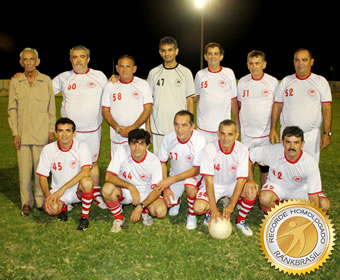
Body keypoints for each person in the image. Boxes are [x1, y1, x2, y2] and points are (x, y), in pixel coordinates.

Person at [52, 45, 107, 209]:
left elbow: (113, 90)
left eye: (82, 56)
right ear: (70, 59)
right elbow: (43, 90)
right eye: (75, 57)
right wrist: (24, 77)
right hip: (69, 133)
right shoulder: (63, 78)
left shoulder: (99, 76)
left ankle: (95, 193)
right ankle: (70, 196)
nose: (78, 60)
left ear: (88, 59)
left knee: (93, 163)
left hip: (92, 130)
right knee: (70, 163)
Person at [8, 47, 56, 216]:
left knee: (40, 172)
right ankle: (26, 203)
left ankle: (40, 201)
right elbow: (12, 109)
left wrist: (51, 130)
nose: (29, 63)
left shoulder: (46, 80)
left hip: (42, 134)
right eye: (25, 60)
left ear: (38, 61)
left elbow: (52, 108)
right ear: (21, 63)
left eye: (32, 59)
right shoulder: (16, 82)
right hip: (23, 135)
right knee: (24, 172)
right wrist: (15, 133)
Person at [194, 120, 257, 236]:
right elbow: (208, 180)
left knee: (251, 191)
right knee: (198, 208)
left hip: (232, 184)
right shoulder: (209, 148)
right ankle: (209, 212)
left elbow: (241, 180)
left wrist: (232, 205)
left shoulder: (242, 149)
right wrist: (213, 208)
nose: (226, 138)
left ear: (236, 135)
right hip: (214, 185)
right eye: (223, 133)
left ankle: (240, 220)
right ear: (217, 134)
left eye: (230, 134)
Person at [270, 48, 332, 163]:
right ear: (294, 62)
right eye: (297, 60)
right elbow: (277, 106)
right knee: (287, 168)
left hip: (311, 135)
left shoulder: (320, 81)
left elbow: (327, 108)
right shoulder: (286, 81)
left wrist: (327, 133)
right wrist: (273, 129)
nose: (300, 63)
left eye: (304, 60)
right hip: (288, 135)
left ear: (311, 62)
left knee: (309, 168)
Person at [248, 126, 330, 213]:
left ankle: (284, 205)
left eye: (296, 142)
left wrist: (312, 217)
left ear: (302, 144)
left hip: (300, 190)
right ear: (282, 142)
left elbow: (313, 195)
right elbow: (249, 156)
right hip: (277, 186)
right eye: (288, 142)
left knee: (324, 205)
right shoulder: (273, 151)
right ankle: (282, 211)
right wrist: (250, 179)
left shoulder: (309, 162)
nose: (292, 146)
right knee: (265, 199)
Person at [101, 129, 167, 233]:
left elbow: (157, 190)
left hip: (146, 193)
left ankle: (145, 210)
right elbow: (109, 176)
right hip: (127, 191)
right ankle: (119, 218)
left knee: (161, 212)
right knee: (107, 189)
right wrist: (131, 187)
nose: (137, 148)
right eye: (133, 143)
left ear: (147, 146)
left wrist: (140, 207)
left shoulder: (153, 161)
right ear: (129, 144)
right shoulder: (121, 151)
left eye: (141, 144)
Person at [36, 118, 94, 231]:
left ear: (74, 133)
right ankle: (64, 206)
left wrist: (63, 189)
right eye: (60, 130)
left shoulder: (81, 146)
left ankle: (84, 216)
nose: (64, 134)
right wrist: (48, 197)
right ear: (56, 133)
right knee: (51, 210)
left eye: (68, 130)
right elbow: (42, 176)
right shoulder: (48, 149)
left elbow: (86, 171)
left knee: (87, 182)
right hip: (58, 191)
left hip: (77, 190)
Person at [157, 110, 206, 230]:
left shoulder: (199, 140)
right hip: (176, 178)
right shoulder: (168, 138)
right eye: (176, 124)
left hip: (195, 178)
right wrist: (167, 187)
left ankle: (191, 214)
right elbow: (162, 163)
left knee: (189, 186)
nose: (179, 129)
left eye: (184, 125)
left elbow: (196, 170)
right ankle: (176, 200)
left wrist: (170, 180)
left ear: (192, 126)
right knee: (164, 206)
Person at [147, 36, 195, 154]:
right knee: (159, 163)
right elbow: (148, 103)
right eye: (163, 50)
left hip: (180, 128)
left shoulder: (185, 72)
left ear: (176, 51)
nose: (166, 53)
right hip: (158, 127)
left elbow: (189, 101)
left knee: (180, 163)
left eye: (170, 50)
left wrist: (191, 124)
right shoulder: (154, 73)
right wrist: (148, 128)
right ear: (160, 53)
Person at [237, 50, 279, 186]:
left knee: (265, 168)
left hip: (265, 134)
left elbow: (276, 108)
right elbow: (238, 105)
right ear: (247, 65)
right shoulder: (242, 82)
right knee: (247, 165)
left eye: (257, 63)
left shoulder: (272, 82)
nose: (254, 66)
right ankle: (248, 195)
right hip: (247, 134)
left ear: (264, 64)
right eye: (251, 63)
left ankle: (265, 194)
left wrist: (273, 129)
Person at [102, 55, 153, 156]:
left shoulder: (143, 84)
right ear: (117, 68)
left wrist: (134, 127)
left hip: (138, 134)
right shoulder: (110, 86)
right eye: (121, 66)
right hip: (117, 135)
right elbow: (105, 110)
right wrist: (117, 128)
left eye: (128, 66)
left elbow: (148, 109)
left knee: (138, 167)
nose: (124, 69)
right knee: (118, 168)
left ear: (134, 69)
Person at [194, 42, 239, 143]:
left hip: (223, 130)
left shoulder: (229, 73)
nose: (212, 56)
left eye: (216, 54)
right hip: (203, 130)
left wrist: (237, 123)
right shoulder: (200, 75)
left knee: (221, 158)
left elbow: (233, 100)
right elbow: (194, 97)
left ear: (221, 56)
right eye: (209, 53)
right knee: (203, 158)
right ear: (205, 56)